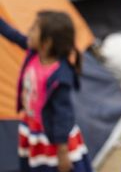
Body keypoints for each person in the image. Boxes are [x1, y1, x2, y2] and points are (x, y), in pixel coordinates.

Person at [0, 12, 92, 172]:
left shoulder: (60, 76)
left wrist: (62, 151)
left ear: (47, 43)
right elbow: (12, 34)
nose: (29, 31)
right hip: (32, 128)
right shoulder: (34, 53)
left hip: (52, 139)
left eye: (34, 28)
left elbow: (63, 114)